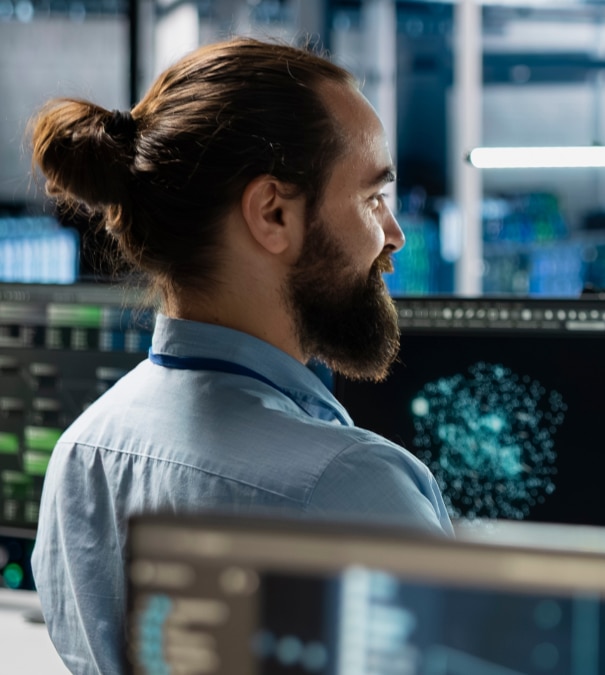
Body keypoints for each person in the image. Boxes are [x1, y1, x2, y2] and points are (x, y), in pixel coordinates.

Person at [28, 37, 453, 674]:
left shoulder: (82, 454)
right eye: (372, 198)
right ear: (272, 213)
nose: (392, 234)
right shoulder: (350, 488)